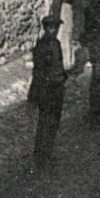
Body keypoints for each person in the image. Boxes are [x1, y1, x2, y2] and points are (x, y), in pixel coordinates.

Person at [27, 15, 67, 170]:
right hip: (46, 90)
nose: (53, 31)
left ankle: (47, 154)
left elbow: (59, 64)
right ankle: (39, 157)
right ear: (45, 29)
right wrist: (36, 94)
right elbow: (38, 72)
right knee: (44, 123)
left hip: (57, 89)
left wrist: (63, 77)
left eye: (55, 28)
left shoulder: (56, 44)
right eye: (50, 28)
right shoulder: (41, 47)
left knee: (54, 123)